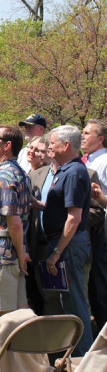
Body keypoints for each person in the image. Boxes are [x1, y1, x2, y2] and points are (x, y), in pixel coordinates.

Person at [43, 125, 92, 356]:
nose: (48, 146)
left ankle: (83, 360)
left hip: (68, 246)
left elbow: (74, 218)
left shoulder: (73, 172)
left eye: (52, 142)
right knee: (67, 304)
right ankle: (71, 357)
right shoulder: (66, 170)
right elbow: (62, 210)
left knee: (75, 305)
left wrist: (56, 252)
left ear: (66, 145)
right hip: (65, 244)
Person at [0, 126, 32, 319]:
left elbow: (14, 222)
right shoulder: (18, 172)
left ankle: (12, 350)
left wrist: (20, 253)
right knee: (20, 313)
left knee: (6, 317)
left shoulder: (3, 176)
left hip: (1, 254)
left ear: (7, 146)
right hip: (11, 251)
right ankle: (28, 350)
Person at [81, 119, 107, 332]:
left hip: (102, 230)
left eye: (88, 133)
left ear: (101, 139)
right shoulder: (88, 161)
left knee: (100, 283)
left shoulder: (104, 161)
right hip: (92, 229)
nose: (83, 136)